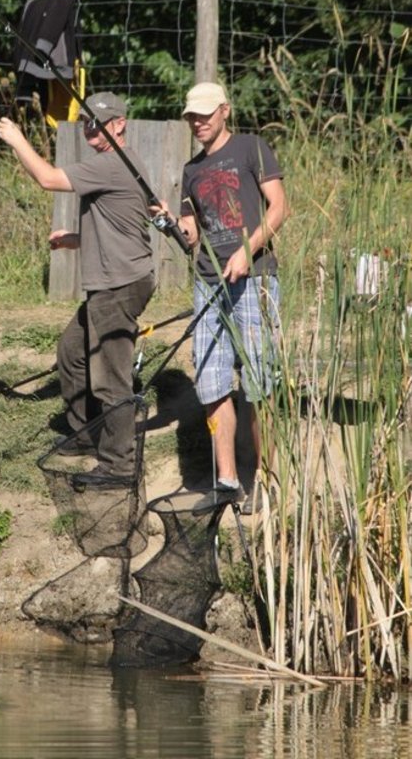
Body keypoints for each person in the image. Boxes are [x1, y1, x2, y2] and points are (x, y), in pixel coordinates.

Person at [0, 92, 155, 484]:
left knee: (110, 375)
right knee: (72, 351)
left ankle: (118, 464)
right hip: (120, 278)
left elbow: (48, 179)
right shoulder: (123, 163)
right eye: (85, 122)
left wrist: (18, 139)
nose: (90, 128)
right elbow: (122, 226)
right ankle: (87, 433)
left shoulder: (110, 163)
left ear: (119, 124)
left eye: (98, 122)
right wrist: (75, 238)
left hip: (118, 286)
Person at [176, 82, 287, 514]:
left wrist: (248, 249)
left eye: (205, 113)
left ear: (225, 110)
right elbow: (191, 230)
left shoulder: (250, 148)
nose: (198, 122)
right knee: (212, 381)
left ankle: (268, 479)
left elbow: (279, 208)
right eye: (192, 116)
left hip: (254, 278)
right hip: (208, 282)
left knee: (261, 382)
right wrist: (175, 226)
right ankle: (226, 480)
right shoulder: (190, 169)